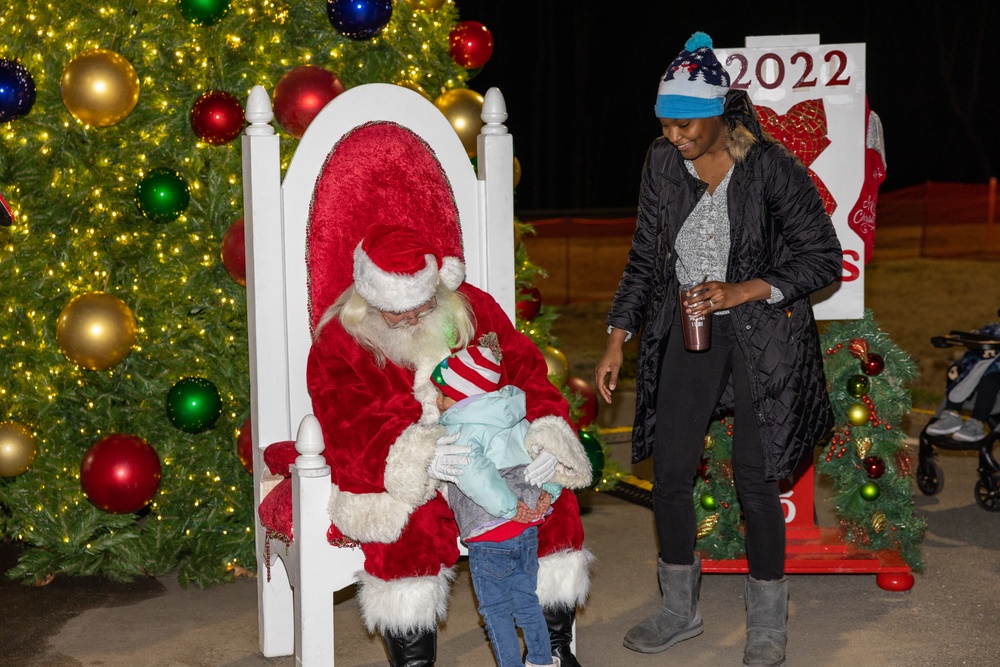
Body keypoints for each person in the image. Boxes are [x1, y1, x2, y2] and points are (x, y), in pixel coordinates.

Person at [594, 32, 842, 667]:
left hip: (765, 337)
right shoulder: (659, 162)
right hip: (686, 326)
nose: (675, 138)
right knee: (671, 472)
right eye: (665, 126)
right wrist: (617, 338)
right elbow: (646, 256)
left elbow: (823, 257)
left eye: (686, 127)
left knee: (757, 481)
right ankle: (679, 609)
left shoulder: (769, 166)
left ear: (717, 115)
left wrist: (744, 291)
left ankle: (767, 618)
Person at [307, 223, 594, 666]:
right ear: (368, 299)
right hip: (413, 471)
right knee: (407, 534)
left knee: (553, 510)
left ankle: (553, 651)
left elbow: (526, 371)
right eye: (394, 313)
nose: (410, 320)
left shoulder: (474, 308)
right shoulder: (340, 340)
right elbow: (348, 421)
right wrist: (417, 455)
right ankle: (415, 663)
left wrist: (543, 438)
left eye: (420, 307)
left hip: (497, 454)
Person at [429, 340, 563, 667]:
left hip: (491, 532)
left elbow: (473, 472)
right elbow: (540, 452)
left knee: (496, 611)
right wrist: (549, 490)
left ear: (463, 397)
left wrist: (508, 507)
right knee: (526, 601)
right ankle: (542, 661)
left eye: (443, 395)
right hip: (528, 528)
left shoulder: (462, 429)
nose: (437, 401)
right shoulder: (513, 417)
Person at [925, 320, 1000, 442]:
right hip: (984, 365)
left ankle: (977, 422)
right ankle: (952, 414)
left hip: (994, 374)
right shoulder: (994, 328)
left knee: (990, 379)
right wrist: (951, 339)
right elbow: (975, 336)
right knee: (956, 370)